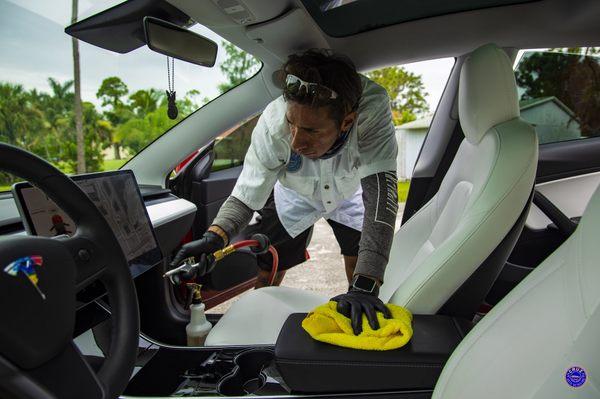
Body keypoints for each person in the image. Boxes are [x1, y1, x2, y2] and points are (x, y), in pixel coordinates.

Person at [171, 49, 398, 335]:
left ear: (346, 122)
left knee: (359, 264)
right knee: (269, 267)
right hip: (294, 193)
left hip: (348, 191)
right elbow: (247, 191)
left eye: (312, 131)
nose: (295, 142)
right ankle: (255, 326)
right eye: (292, 124)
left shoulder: (372, 112)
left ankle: (356, 320)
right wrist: (214, 237)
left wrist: (367, 285)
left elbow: (380, 197)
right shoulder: (272, 122)